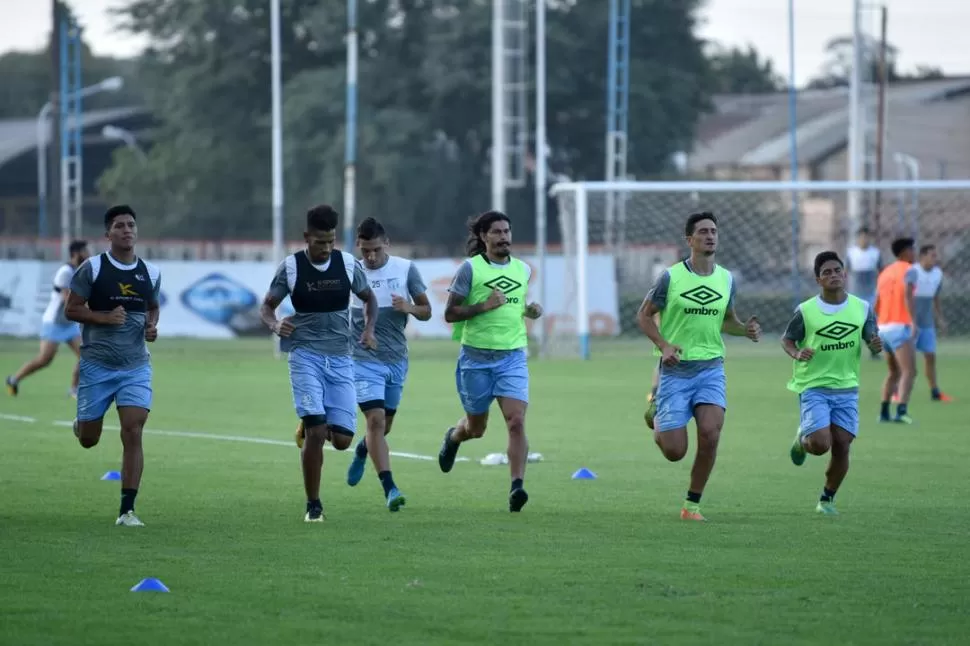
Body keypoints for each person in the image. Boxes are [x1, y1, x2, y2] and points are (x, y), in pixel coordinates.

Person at [636, 211, 761, 522]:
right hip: (675, 372)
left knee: (710, 433)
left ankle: (691, 506)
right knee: (675, 451)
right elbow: (643, 315)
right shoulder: (671, 277)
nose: (710, 236)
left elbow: (728, 322)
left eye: (714, 231)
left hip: (711, 369)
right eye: (703, 231)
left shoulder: (726, 279)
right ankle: (659, 420)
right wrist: (664, 346)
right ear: (689, 240)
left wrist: (744, 329)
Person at [261, 204, 378, 523]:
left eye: (330, 241)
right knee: (316, 432)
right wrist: (275, 325)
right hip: (304, 355)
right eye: (319, 242)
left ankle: (310, 421)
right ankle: (314, 505)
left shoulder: (348, 264)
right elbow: (267, 306)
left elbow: (370, 299)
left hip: (341, 358)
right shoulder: (291, 268)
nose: (326, 248)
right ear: (306, 237)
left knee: (341, 440)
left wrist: (368, 330)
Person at [437, 210, 543, 512]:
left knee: (517, 421)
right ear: (483, 236)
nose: (503, 237)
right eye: (496, 232)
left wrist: (528, 311)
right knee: (476, 428)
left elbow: (513, 305)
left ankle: (516, 487)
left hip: (512, 357)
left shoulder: (523, 270)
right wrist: (484, 305)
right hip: (475, 359)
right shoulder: (470, 270)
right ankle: (454, 437)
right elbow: (450, 313)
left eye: (507, 231)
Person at [64, 206, 161, 527]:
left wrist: (151, 326)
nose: (127, 230)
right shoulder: (92, 269)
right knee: (89, 439)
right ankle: (81, 423)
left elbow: (153, 307)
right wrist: (103, 317)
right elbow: (72, 310)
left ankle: (127, 510)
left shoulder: (150, 272)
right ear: (108, 234)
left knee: (133, 429)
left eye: (131, 225)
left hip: (135, 366)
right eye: (119, 226)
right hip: (96, 366)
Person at [343, 217, 432, 511]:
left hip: (396, 360)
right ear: (359, 245)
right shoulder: (350, 271)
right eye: (366, 250)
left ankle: (362, 449)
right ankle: (390, 488)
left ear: (387, 244)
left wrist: (409, 307)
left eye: (376, 250)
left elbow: (427, 311)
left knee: (384, 426)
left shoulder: (405, 269)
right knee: (376, 420)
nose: (370, 256)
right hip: (362, 359)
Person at [783, 251, 882, 516]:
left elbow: (872, 339)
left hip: (847, 387)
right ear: (818, 279)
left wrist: (875, 345)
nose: (833, 275)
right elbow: (788, 339)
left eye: (837, 270)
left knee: (842, 444)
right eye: (827, 272)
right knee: (819, 444)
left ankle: (827, 499)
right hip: (813, 385)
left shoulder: (862, 308)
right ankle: (802, 439)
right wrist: (796, 353)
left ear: (845, 274)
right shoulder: (806, 311)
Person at [6, 240, 90, 398]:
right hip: (54, 323)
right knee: (44, 359)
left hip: (69, 323)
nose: (89, 254)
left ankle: (74, 389)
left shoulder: (80, 270)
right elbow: (68, 300)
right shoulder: (66, 271)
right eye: (85, 251)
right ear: (76, 253)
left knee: (85, 355)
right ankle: (14, 379)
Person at [874, 238, 917, 424]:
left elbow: (877, 302)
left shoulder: (885, 272)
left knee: (894, 372)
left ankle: (883, 412)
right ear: (905, 252)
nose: (914, 253)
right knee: (910, 371)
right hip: (899, 326)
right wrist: (914, 321)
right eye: (912, 250)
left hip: (883, 327)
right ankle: (901, 411)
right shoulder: (909, 270)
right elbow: (907, 296)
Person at [907, 244, 951, 402]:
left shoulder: (938, 274)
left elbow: (936, 297)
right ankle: (898, 392)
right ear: (923, 256)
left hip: (927, 322)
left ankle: (935, 392)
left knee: (930, 357)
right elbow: (905, 297)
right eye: (932, 255)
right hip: (910, 323)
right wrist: (910, 321)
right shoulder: (913, 271)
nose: (935, 258)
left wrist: (940, 318)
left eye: (936, 255)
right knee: (906, 360)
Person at [846, 227, 882, 359]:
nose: (864, 240)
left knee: (871, 322)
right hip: (855, 294)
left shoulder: (875, 253)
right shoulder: (851, 253)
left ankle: (873, 351)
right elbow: (844, 272)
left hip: (871, 293)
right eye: (861, 237)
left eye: (866, 237)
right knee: (854, 323)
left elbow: (882, 272)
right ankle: (851, 351)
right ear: (857, 239)